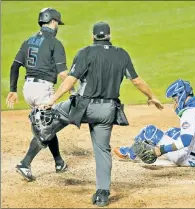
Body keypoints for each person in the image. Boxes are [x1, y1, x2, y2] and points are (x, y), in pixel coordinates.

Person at [37, 21, 163, 206]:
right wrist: (152, 96)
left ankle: (44, 135)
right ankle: (103, 193)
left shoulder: (85, 52)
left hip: (84, 108)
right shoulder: (122, 54)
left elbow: (70, 81)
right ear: (109, 36)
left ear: (93, 36)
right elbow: (136, 81)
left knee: (55, 113)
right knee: (102, 150)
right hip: (107, 111)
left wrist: (51, 100)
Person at [6, 8, 72, 181]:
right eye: (57, 23)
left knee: (47, 123)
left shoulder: (28, 41)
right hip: (43, 89)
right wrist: (73, 89)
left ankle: (59, 162)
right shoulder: (55, 43)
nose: (58, 26)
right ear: (53, 22)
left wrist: (12, 89)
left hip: (28, 89)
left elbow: (14, 66)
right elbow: (63, 74)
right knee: (48, 127)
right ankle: (25, 163)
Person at [114, 79, 195, 167]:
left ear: (180, 96)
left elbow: (184, 142)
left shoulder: (189, 114)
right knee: (172, 132)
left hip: (187, 158)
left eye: (174, 99)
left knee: (149, 131)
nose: (174, 103)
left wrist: (160, 150)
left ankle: (129, 153)